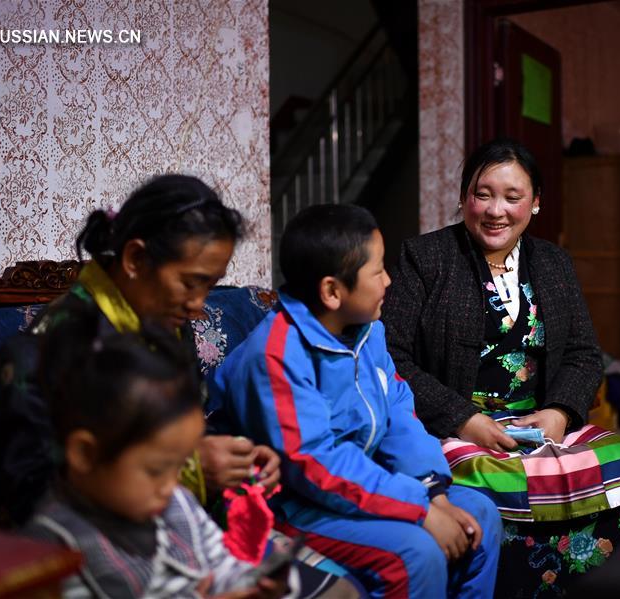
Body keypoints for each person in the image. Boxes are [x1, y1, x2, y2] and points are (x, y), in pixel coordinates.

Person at [381, 138, 620, 596]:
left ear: (536, 203)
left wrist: (560, 414)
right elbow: (392, 356)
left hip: (539, 424)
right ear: (464, 196)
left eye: (513, 197)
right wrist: (464, 419)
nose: (496, 211)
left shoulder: (553, 262)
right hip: (456, 426)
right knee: (498, 486)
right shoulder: (426, 258)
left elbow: (584, 354)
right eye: (483, 193)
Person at [212, 204, 502, 598]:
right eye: (378, 270)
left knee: (480, 514)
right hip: (300, 505)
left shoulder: (368, 331)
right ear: (333, 291)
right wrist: (419, 509)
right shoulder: (276, 355)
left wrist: (430, 488)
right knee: (416, 554)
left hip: (362, 483)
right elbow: (315, 464)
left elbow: (399, 413)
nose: (388, 281)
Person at [0, 174, 277, 525]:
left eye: (210, 285)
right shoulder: (44, 352)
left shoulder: (166, 326)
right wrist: (187, 470)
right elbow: (30, 494)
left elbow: (188, 428)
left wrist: (235, 459)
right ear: (136, 259)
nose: (198, 305)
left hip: (185, 531)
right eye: (189, 283)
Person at [24, 321, 290, 598]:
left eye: (182, 464)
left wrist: (254, 586)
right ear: (84, 454)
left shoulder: (178, 503)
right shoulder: (53, 552)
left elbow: (224, 568)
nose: (172, 485)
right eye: (156, 470)